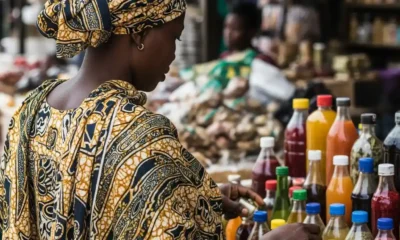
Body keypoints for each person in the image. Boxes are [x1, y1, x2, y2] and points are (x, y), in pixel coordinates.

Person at [0, 0, 320, 239]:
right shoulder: (143, 136)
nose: (173, 54)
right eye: (174, 38)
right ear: (139, 33)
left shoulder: (30, 108)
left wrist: (193, 197)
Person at [221, 2, 278, 67]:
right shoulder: (224, 58)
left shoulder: (262, 62)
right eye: (226, 27)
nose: (228, 33)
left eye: (235, 29)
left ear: (251, 32)